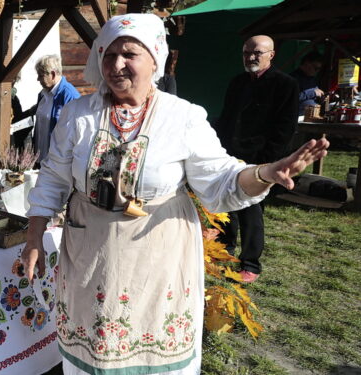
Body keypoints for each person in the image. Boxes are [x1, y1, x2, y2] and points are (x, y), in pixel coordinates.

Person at [19, 15, 328, 375]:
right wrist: (34, 235)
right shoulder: (78, 115)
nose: (116, 65)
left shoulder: (183, 117)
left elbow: (222, 180)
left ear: (155, 59)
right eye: (108, 54)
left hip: (157, 255)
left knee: (152, 359)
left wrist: (265, 173)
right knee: (91, 355)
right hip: (90, 253)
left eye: (130, 54)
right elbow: (54, 177)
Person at [214, 35, 299, 283]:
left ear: (271, 55)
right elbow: (227, 117)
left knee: (251, 210)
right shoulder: (238, 82)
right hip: (231, 154)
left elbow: (285, 127)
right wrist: (220, 149)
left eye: (257, 53)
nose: (251, 57)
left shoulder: (285, 84)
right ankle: (224, 250)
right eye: (246, 53)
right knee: (227, 202)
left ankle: (250, 263)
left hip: (261, 157)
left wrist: (268, 161)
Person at [33, 54, 80, 162]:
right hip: (40, 159)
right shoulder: (43, 94)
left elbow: (76, 130)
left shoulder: (69, 95)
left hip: (59, 162)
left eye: (40, 75)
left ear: (52, 74)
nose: (38, 79)